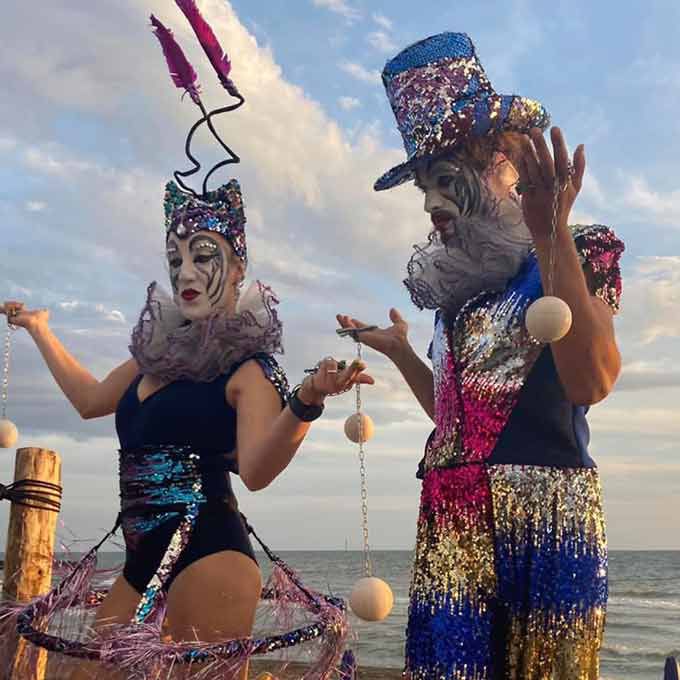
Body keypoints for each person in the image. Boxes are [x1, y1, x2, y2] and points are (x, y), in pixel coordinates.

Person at [0, 5, 371, 679]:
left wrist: (310, 399)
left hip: (209, 553)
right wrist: (41, 330)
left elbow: (256, 470)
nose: (187, 274)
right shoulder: (157, 356)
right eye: (176, 260)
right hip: (142, 558)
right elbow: (89, 401)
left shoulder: (247, 367)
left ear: (236, 267)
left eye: (204, 256)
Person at [338, 32, 623, 680]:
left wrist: (551, 235)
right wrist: (404, 354)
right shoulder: (457, 298)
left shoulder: (578, 249)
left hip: (542, 523)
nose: (432, 205)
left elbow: (593, 380)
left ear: (504, 164)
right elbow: (456, 424)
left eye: (446, 181)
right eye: (424, 189)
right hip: (451, 523)